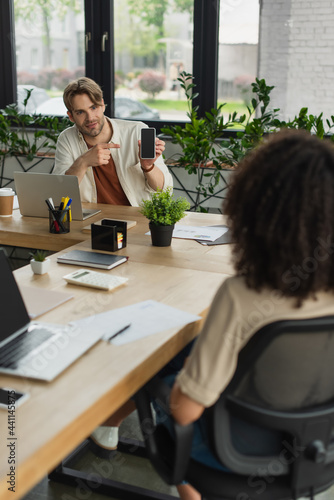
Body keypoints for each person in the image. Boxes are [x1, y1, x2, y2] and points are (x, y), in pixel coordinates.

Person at [103, 129, 334, 500]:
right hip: (317, 449)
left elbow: (185, 412)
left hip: (233, 453)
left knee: (158, 370)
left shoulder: (242, 295)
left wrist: (185, 376)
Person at [53, 77, 173, 205]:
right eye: (81, 112)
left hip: (135, 218)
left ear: (103, 105)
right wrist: (83, 162)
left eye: (93, 108)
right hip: (92, 219)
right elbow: (60, 195)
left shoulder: (136, 131)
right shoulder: (66, 139)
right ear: (71, 116)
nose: (90, 118)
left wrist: (148, 167)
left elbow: (165, 191)